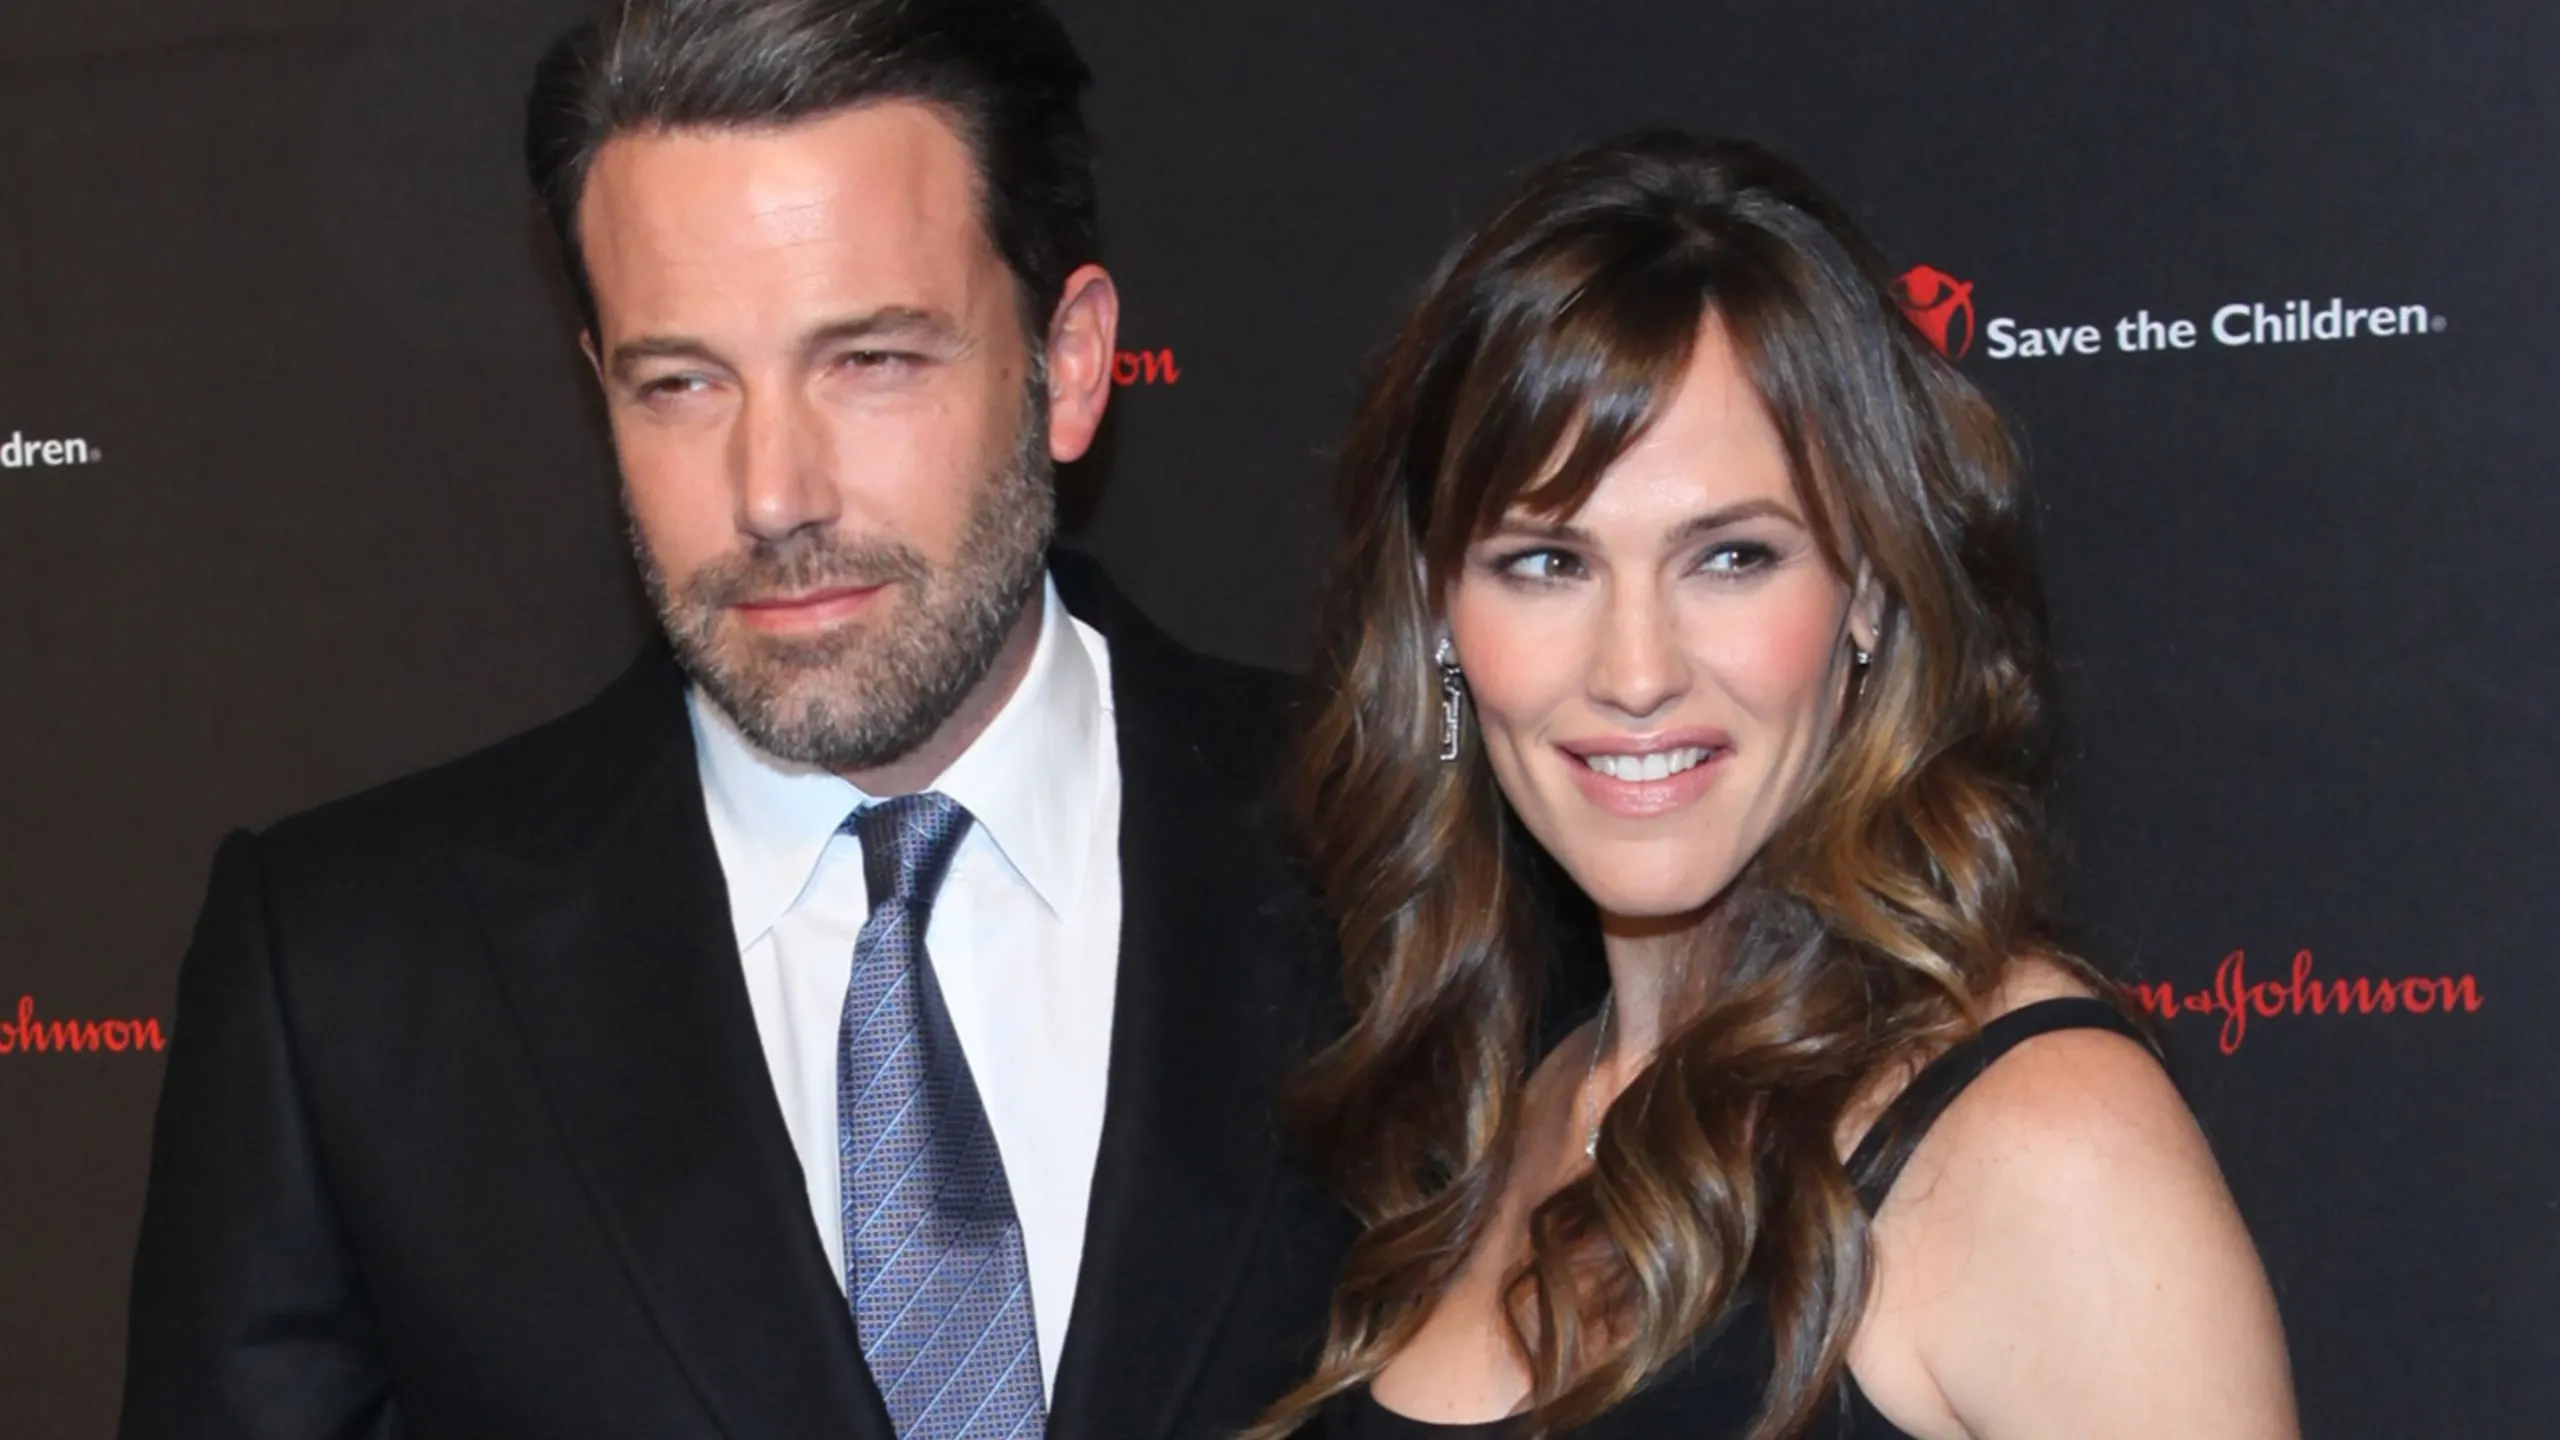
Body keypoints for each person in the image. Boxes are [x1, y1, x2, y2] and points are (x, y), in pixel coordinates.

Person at [118, 2, 1348, 1436]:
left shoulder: (1403, 858)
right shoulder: (347, 977)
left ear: (1069, 364)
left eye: (871, 362)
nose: (774, 492)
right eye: (683, 382)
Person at [1252, 133, 2298, 1439]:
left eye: (1732, 557)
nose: (1635, 671)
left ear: (1865, 589)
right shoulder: (1507, 1112)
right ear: (1438, 618)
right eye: (1545, 564)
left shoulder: (2033, 1141)